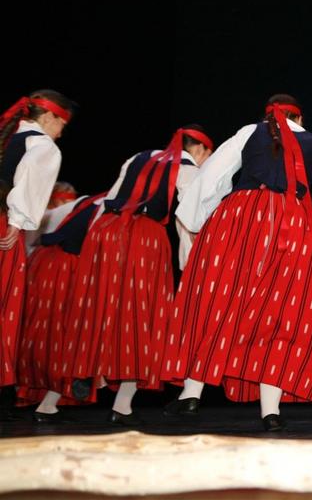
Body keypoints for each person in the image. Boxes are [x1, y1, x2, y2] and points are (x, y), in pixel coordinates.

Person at [161, 95, 312, 431]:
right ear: (299, 119)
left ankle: (191, 393)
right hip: (293, 227)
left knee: (217, 302)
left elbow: (212, 176)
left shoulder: (248, 132)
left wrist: (197, 220)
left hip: (241, 219)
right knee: (281, 316)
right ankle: (270, 412)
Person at [58, 125, 213, 426]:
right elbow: (191, 216)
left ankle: (87, 371)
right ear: (200, 149)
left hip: (105, 231)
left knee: (99, 304)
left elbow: (111, 198)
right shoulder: (187, 166)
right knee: (141, 315)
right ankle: (121, 403)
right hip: (143, 237)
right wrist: (193, 257)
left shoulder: (138, 157)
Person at [0, 90, 74, 420]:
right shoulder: (42, 145)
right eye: (61, 125)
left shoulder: (8, 136)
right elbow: (28, 185)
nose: (60, 133)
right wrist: (16, 222)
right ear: (48, 117)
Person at [17, 191, 105, 417]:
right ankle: (49, 397)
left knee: (44, 334)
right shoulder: (97, 203)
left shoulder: (88, 202)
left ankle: (41, 396)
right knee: (64, 334)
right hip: (63, 268)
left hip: (45, 263)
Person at [24, 182, 78, 257]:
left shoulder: (67, 214)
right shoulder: (39, 214)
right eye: (63, 199)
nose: (67, 202)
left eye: (72, 199)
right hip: (32, 254)